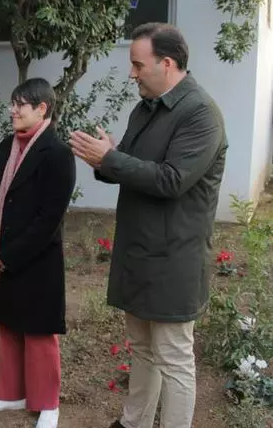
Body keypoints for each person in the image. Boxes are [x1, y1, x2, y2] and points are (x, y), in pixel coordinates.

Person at [69, 22, 227, 428]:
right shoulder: (146, 108)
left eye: (138, 65)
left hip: (175, 257)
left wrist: (112, 159)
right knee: (141, 348)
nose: (132, 73)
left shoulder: (201, 114)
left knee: (174, 357)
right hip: (139, 251)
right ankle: (134, 422)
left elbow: (172, 180)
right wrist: (104, 160)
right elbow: (132, 165)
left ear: (167, 63)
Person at [0, 78, 76, 428]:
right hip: (0, 255)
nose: (12, 110)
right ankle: (11, 394)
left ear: (42, 109)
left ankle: (47, 404)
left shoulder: (58, 154)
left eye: (21, 104)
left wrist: (10, 256)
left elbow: (50, 217)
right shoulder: (7, 145)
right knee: (7, 324)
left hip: (36, 260)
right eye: (12, 103)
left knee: (37, 330)